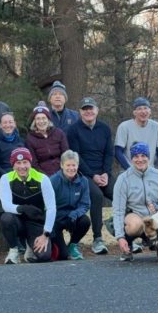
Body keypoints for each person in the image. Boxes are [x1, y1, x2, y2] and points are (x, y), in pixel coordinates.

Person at [65, 97, 113, 255]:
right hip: (84, 174)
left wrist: (105, 172)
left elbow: (109, 153)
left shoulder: (105, 129)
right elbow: (77, 156)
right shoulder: (73, 130)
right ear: (80, 112)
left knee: (121, 194)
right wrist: (93, 176)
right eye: (85, 109)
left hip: (103, 172)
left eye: (91, 108)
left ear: (97, 110)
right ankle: (98, 238)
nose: (88, 112)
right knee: (97, 196)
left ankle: (127, 235)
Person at [113, 143, 158, 261]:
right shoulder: (123, 179)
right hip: (134, 217)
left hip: (156, 220)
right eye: (136, 156)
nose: (140, 159)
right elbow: (118, 210)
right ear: (131, 158)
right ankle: (128, 243)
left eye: (143, 155)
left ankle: (154, 241)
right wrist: (120, 237)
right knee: (135, 225)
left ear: (149, 157)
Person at [0, 147, 56, 264]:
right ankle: (14, 250)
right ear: (13, 165)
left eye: (25, 162)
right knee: (6, 218)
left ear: (30, 163)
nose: (22, 166)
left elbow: (51, 208)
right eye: (18, 163)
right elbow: (6, 205)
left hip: (35, 223)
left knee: (44, 256)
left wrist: (45, 235)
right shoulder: (5, 179)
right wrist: (23, 208)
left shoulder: (43, 179)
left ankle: (30, 246)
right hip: (17, 221)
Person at [49, 150, 91, 260]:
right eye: (68, 165)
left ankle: (73, 245)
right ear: (62, 165)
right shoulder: (53, 181)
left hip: (72, 216)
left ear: (77, 165)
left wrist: (75, 214)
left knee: (85, 221)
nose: (71, 168)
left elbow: (85, 204)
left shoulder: (83, 181)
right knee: (62, 256)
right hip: (56, 219)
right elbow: (47, 205)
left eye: (74, 165)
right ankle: (56, 244)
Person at [114, 97, 158, 171]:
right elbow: (118, 151)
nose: (143, 111)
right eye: (139, 109)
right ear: (134, 112)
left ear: (150, 111)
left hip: (150, 171)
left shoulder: (156, 126)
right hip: (129, 170)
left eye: (145, 108)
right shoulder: (124, 127)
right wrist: (129, 169)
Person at [25, 102, 69, 176]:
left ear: (48, 120)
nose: (41, 121)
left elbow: (66, 155)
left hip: (62, 172)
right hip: (43, 175)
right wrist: (45, 177)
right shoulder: (30, 139)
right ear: (34, 122)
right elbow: (34, 164)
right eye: (38, 119)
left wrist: (63, 172)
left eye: (43, 118)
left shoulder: (59, 133)